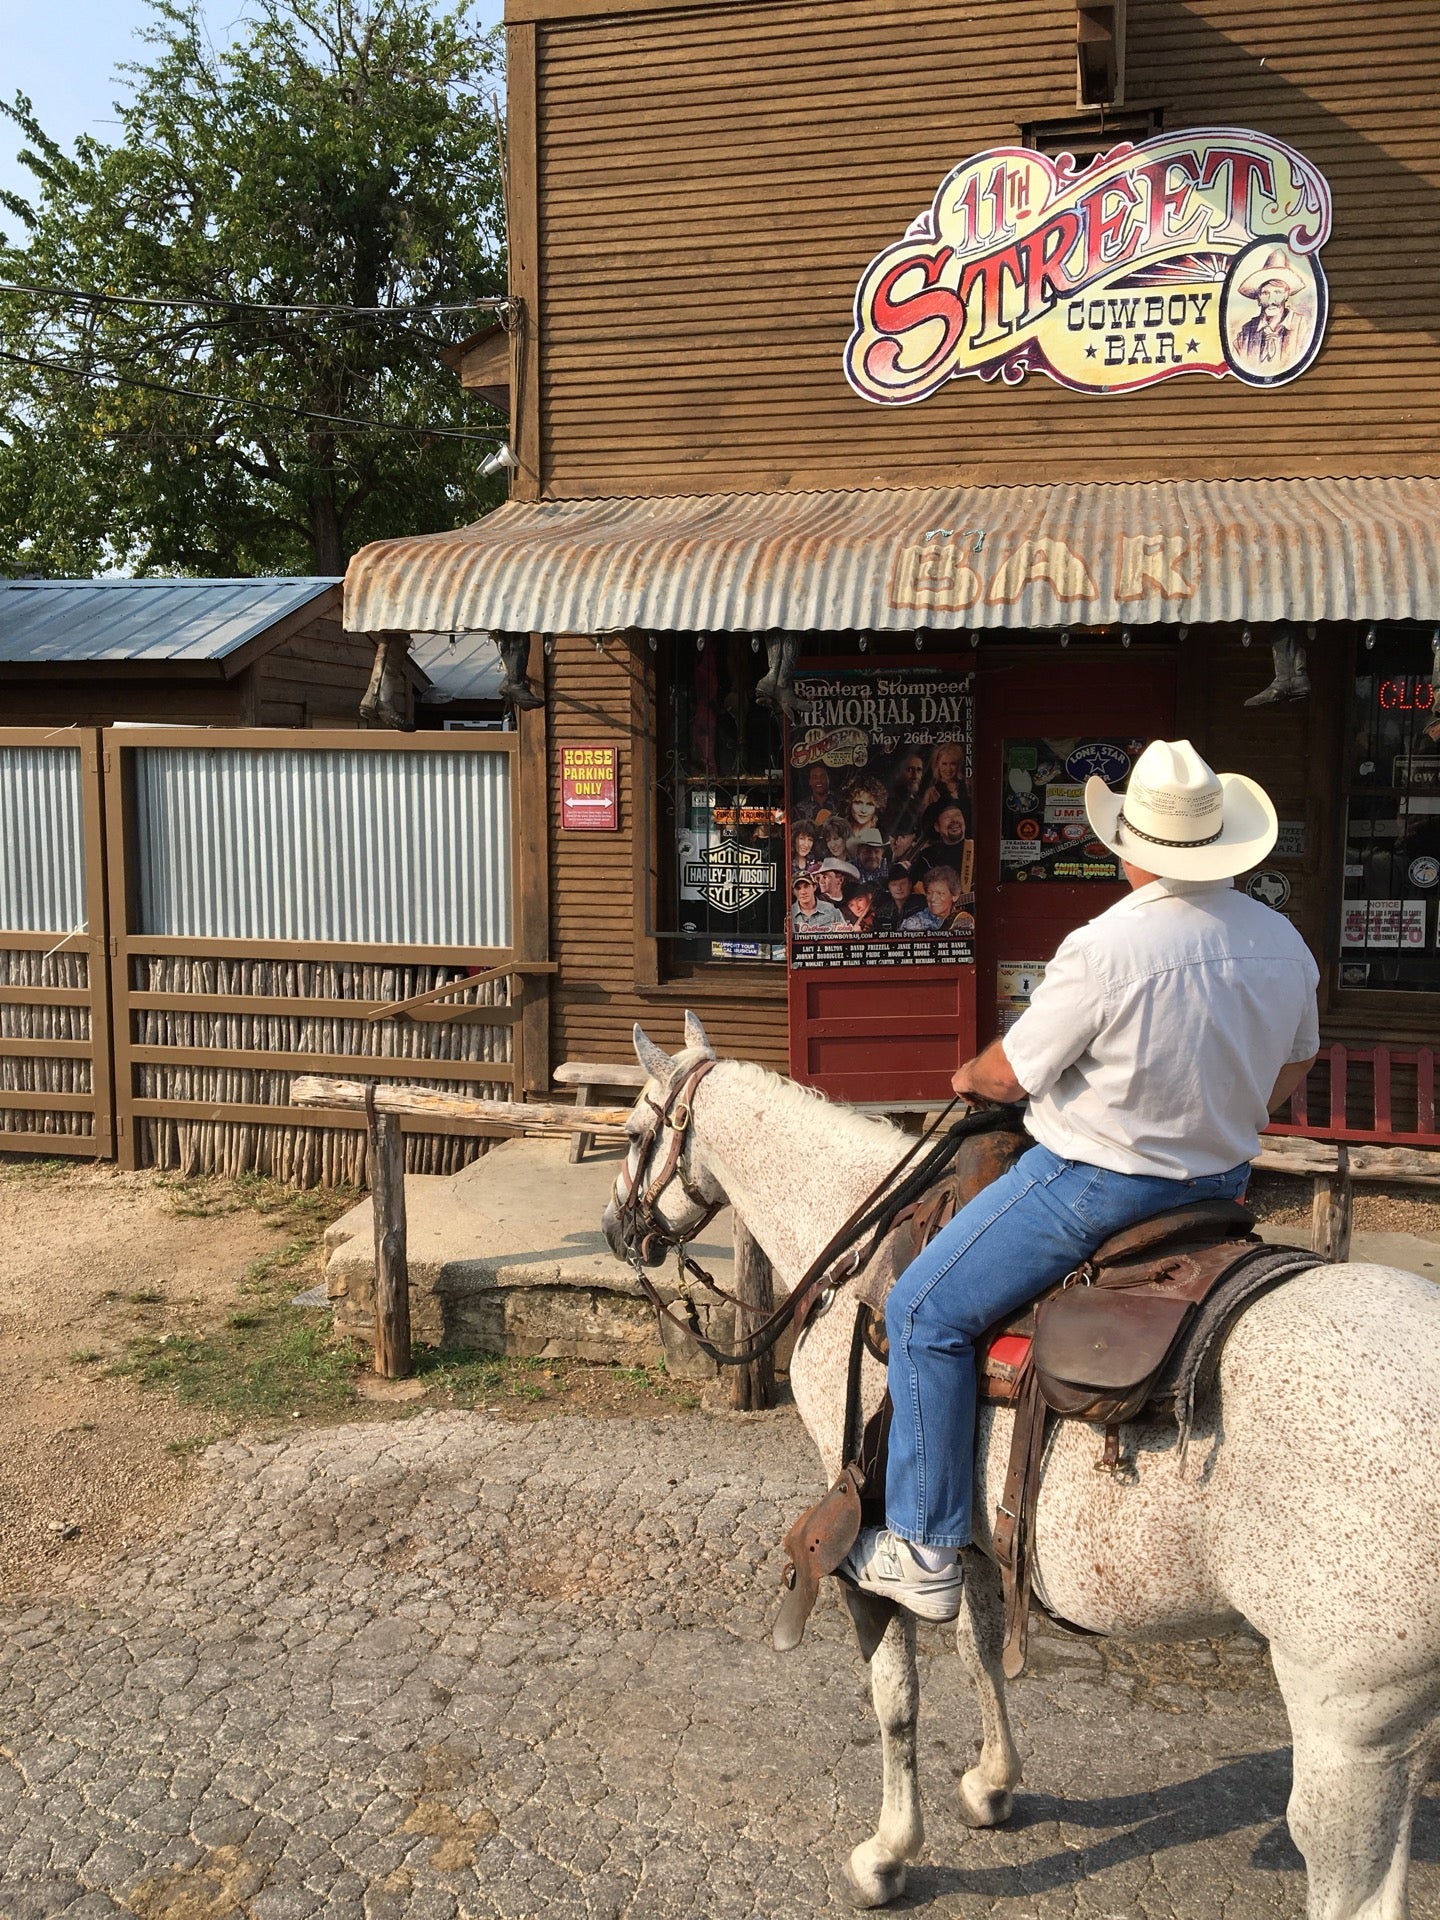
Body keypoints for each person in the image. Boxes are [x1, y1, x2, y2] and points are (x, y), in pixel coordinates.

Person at [840, 740, 1320, 1621]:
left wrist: (964, 1077)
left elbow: (1011, 1075)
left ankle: (923, 1546)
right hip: (1221, 1187)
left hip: (1100, 1185)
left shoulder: (1107, 945)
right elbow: (1295, 1064)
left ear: (1132, 845)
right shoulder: (1281, 940)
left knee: (921, 1312)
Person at [1232, 248, 1309, 374]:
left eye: (1277, 293)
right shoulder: (1246, 333)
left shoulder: (1302, 326)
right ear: (1258, 297)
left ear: (1286, 295)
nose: (1271, 300)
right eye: (1265, 293)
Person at [899, 865, 968, 933]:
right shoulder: (913, 925)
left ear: (955, 896)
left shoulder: (963, 920)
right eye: (929, 893)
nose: (933, 899)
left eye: (940, 893)